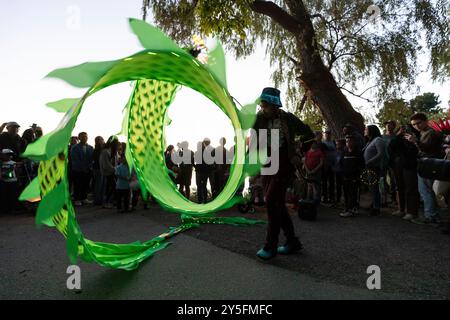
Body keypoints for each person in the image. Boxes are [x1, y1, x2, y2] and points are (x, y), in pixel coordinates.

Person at [252, 87, 314, 260]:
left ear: (274, 104)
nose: (262, 107)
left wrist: (298, 152)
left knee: (271, 201)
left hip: (284, 164)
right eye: (261, 104)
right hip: (267, 164)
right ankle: (292, 242)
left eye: (265, 104)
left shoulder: (288, 119)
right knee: (277, 202)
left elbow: (309, 135)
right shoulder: (259, 119)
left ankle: (270, 246)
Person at [405, 113, 444, 224]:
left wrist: (415, 141)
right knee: (427, 191)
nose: (416, 126)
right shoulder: (423, 132)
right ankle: (432, 215)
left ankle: (431, 216)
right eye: (414, 124)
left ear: (426, 121)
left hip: (429, 164)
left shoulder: (430, 133)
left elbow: (427, 149)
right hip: (427, 163)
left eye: (418, 123)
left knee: (426, 191)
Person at [388, 125, 419, 221]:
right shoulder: (399, 138)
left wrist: (412, 140)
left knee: (410, 189)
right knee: (399, 187)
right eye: (402, 129)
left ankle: (411, 212)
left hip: (410, 165)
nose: (405, 130)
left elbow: (415, 150)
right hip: (398, 165)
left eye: (407, 129)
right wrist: (398, 135)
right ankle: (401, 209)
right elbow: (391, 146)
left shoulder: (415, 137)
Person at [363, 125, 387, 216]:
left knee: (374, 188)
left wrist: (370, 162)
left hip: (374, 167)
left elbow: (381, 154)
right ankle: (374, 204)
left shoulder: (378, 140)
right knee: (372, 187)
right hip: (369, 167)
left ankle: (376, 207)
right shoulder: (370, 141)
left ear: (371, 131)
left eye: (366, 129)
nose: (364, 131)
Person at [339, 136, 365, 217]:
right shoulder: (344, 151)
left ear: (354, 142)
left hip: (354, 177)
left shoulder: (358, 152)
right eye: (347, 141)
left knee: (353, 193)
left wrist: (357, 175)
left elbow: (362, 164)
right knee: (346, 193)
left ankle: (351, 209)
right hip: (345, 176)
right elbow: (341, 162)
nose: (348, 143)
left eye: (350, 141)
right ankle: (347, 208)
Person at [70, 132, 94, 206]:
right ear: (79, 138)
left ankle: (84, 198)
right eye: (83, 137)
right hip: (77, 170)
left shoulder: (90, 147)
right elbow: (75, 159)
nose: (84, 138)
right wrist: (83, 167)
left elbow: (91, 159)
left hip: (88, 169)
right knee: (77, 185)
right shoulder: (74, 148)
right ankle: (77, 199)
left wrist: (88, 167)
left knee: (85, 184)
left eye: (86, 137)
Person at [100, 136, 119, 209]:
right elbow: (105, 165)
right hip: (107, 173)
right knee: (108, 188)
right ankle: (106, 202)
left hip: (113, 172)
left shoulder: (114, 151)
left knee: (113, 187)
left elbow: (117, 161)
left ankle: (110, 201)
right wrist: (115, 169)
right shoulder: (105, 151)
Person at [382, 120, 398, 206]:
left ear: (394, 126)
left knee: (393, 180)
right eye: (387, 124)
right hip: (383, 161)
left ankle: (394, 199)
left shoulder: (396, 136)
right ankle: (384, 199)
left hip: (393, 161)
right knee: (382, 180)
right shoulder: (381, 137)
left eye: (390, 125)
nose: (388, 126)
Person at [194, 138, 214, 203]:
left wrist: (195, 167)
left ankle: (200, 199)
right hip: (206, 171)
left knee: (199, 186)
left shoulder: (197, 152)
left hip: (199, 171)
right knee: (204, 185)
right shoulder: (209, 152)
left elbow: (193, 161)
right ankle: (205, 199)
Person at [0, 149, 18, 214]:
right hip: (4, 181)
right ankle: (5, 209)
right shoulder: (1, 163)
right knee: (4, 196)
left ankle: (13, 209)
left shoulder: (13, 163)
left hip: (13, 181)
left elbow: (17, 172)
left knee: (13, 195)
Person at [322, 129, 337, 204]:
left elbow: (336, 152)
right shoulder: (322, 143)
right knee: (324, 182)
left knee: (332, 182)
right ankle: (324, 197)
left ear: (331, 135)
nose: (327, 135)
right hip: (325, 165)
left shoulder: (333, 142)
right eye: (326, 133)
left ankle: (332, 197)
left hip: (333, 165)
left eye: (329, 133)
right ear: (324, 135)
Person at [92, 136, 105, 205]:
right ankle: (97, 200)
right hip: (98, 169)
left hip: (101, 169)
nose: (103, 140)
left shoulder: (101, 149)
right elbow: (97, 160)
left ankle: (101, 199)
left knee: (102, 185)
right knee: (99, 185)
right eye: (101, 139)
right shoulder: (97, 150)